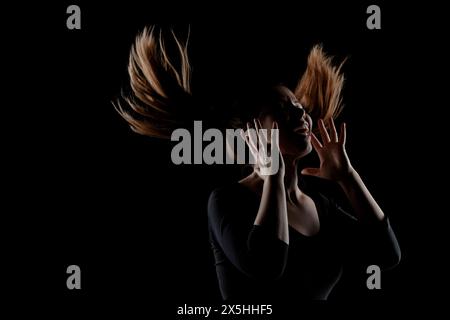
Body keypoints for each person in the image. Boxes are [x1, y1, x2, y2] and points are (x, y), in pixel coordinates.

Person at [115, 26, 401, 301]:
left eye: (298, 106)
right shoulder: (227, 200)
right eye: (281, 108)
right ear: (250, 132)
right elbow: (266, 267)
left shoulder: (321, 207)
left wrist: (348, 177)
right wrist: (273, 178)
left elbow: (386, 255)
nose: (299, 114)